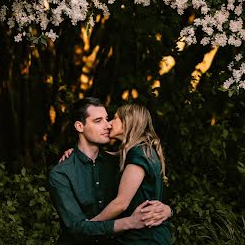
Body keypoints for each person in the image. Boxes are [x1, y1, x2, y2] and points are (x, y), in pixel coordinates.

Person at [48, 97, 172, 245]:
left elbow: (151, 194)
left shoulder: (123, 162)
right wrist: (129, 222)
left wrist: (167, 210)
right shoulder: (62, 173)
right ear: (80, 126)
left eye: (107, 119)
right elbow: (76, 228)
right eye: (98, 121)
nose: (107, 125)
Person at [91, 103, 172, 244]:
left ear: (127, 122)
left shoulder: (138, 153)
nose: (109, 124)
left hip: (143, 238)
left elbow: (121, 203)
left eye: (114, 118)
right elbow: (105, 156)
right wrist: (77, 152)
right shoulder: (142, 150)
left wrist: (90, 226)